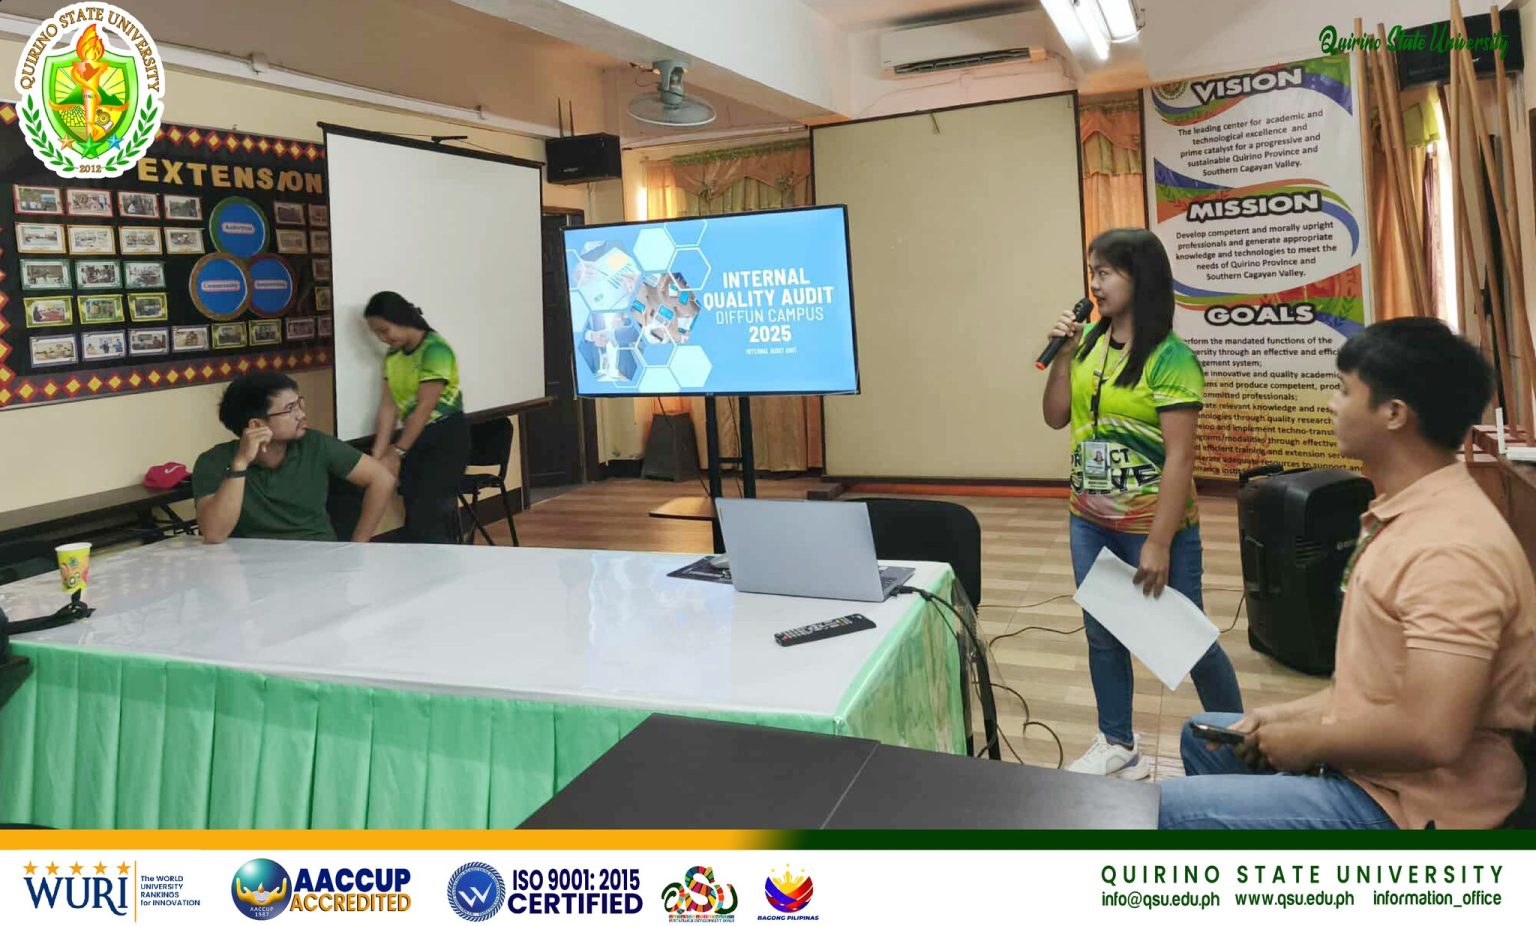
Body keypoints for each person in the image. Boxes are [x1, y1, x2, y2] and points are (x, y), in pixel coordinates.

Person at [1161, 318, 1535, 829]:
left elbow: (1432, 734)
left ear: (1394, 414)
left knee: (1171, 809)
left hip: (1415, 807)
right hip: (1380, 773)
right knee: (1202, 735)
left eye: (1344, 390)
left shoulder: (1450, 550)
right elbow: (1373, 691)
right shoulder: (1405, 511)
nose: (1331, 404)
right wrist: (1284, 718)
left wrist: (1309, 741)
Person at [1041, 227, 1243, 779]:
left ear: (1140, 279)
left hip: (1152, 525)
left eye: (1105, 273)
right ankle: (1118, 744)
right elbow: (1056, 416)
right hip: (1089, 519)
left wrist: (1158, 541)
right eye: (1093, 272)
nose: (1095, 285)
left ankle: (1239, 746)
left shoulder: (1171, 358)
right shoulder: (1088, 344)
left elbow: (1180, 457)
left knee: (1189, 638)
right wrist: (1063, 356)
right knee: (1102, 634)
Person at [194, 372, 395, 543]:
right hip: (252, 565)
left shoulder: (315, 444)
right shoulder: (213, 461)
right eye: (290, 409)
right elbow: (214, 534)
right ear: (256, 425)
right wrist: (240, 464)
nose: (301, 415)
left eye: (299, 404)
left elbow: (382, 479)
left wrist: (359, 545)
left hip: (318, 557)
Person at [365, 291, 470, 544]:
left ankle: (446, 565)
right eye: (377, 334)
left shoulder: (436, 349)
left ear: (400, 318)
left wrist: (397, 451)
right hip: (414, 439)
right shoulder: (393, 356)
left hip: (445, 438)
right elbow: (388, 407)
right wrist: (377, 455)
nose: (382, 339)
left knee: (431, 514)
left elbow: (424, 407)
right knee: (414, 514)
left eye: (384, 330)